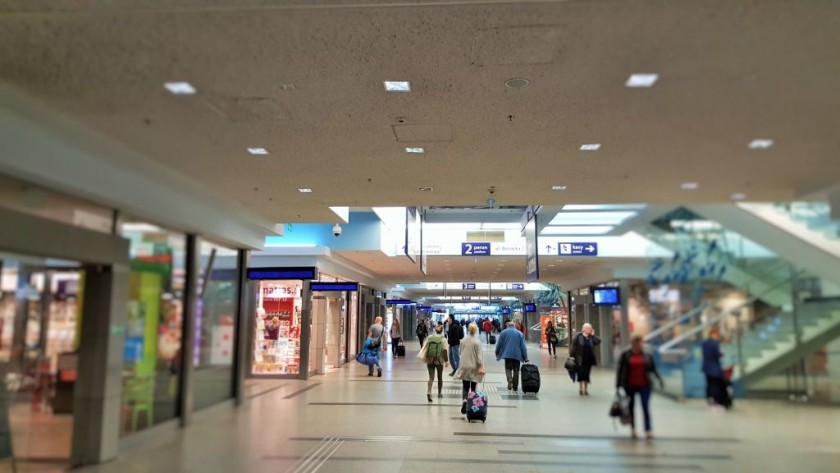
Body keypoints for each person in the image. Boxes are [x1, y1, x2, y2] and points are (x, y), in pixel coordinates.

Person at [616, 333, 663, 440]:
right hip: (629, 385)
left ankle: (648, 430)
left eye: (642, 342)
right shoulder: (626, 354)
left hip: (645, 385)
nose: (641, 345)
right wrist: (618, 386)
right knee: (631, 407)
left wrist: (659, 379)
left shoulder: (647, 355)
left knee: (645, 406)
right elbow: (621, 370)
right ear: (634, 343)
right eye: (639, 343)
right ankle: (633, 429)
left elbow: (653, 369)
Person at [455, 323, 486, 413]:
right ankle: (472, 405)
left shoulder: (463, 340)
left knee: (465, 386)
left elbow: (460, 352)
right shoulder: (477, 342)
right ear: (476, 330)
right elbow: (479, 356)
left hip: (464, 365)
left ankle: (464, 400)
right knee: (473, 387)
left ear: (468, 330)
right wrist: (480, 367)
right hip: (474, 366)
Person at [417, 324, 449, 402]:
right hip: (439, 361)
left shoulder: (429, 338)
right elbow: (445, 351)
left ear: (435, 330)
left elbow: (425, 347)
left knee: (431, 378)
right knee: (439, 377)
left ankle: (429, 391)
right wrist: (446, 361)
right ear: (441, 331)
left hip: (430, 360)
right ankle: (439, 393)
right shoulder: (443, 339)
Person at [702, 326, 732, 409]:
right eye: (715, 335)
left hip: (706, 368)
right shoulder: (716, 344)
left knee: (709, 384)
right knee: (715, 385)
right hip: (714, 369)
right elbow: (719, 354)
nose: (716, 337)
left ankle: (710, 399)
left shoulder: (705, 343)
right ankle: (715, 401)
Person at [495, 320, 529, 392]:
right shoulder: (520, 334)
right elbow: (523, 347)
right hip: (517, 355)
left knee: (508, 369)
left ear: (507, 325)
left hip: (507, 355)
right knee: (516, 370)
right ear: (514, 326)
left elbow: (499, 344)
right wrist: (526, 357)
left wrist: (496, 353)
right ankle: (515, 386)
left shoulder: (503, 333)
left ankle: (510, 380)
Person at [570, 323, 601, 396]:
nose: (590, 330)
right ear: (583, 329)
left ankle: (586, 389)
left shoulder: (591, 337)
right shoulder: (578, 336)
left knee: (587, 374)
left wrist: (593, 335)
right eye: (588, 328)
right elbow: (573, 346)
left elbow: (598, 341)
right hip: (580, 359)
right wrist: (572, 355)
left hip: (589, 359)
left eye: (590, 328)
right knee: (580, 374)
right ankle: (581, 388)